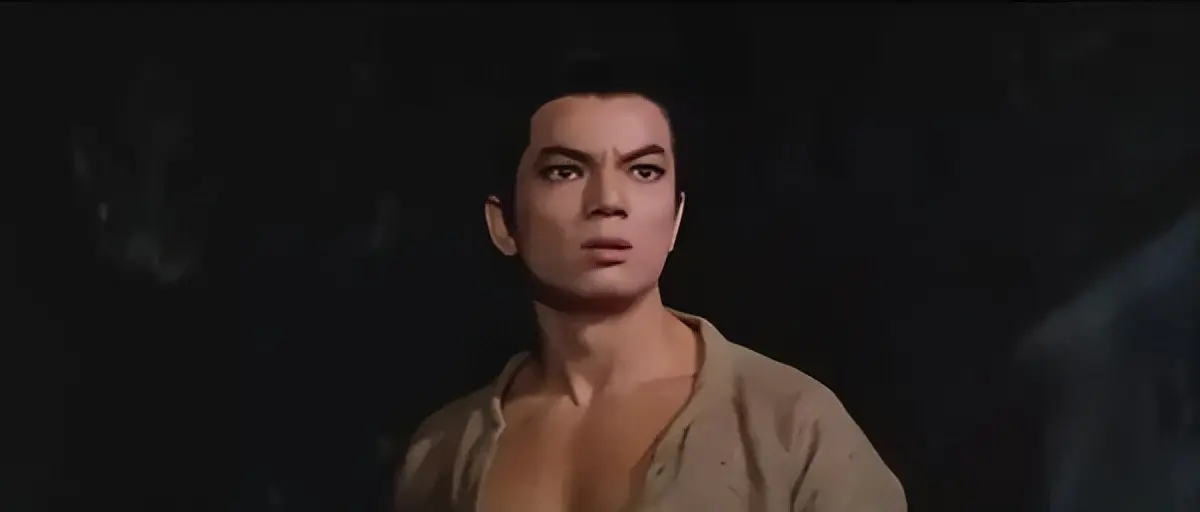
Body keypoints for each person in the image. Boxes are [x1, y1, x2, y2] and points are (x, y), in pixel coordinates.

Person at [395, 53, 905, 512]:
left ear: (676, 218)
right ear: (503, 222)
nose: (608, 201)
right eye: (565, 171)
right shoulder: (442, 451)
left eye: (643, 171)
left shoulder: (793, 426)